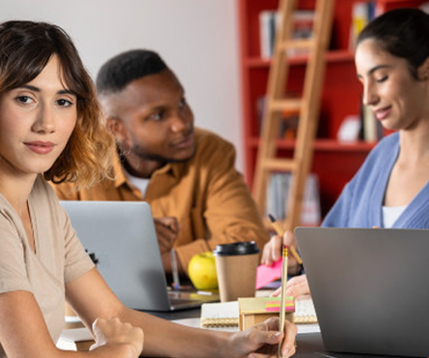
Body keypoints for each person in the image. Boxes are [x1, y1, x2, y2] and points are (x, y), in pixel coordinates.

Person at [0, 21, 296, 358]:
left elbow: (113, 315)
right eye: (25, 98)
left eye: (63, 101)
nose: (47, 123)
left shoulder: (40, 200)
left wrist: (230, 346)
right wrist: (117, 351)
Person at [262, 8, 429, 298]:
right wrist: (299, 260)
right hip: (359, 342)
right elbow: (334, 260)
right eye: (362, 81)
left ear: (428, 70)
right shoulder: (380, 157)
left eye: (381, 77)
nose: (367, 98)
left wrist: (364, 277)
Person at [51, 49, 269, 275]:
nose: (182, 124)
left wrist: (143, 257)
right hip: (94, 309)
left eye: (182, 103)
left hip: (193, 308)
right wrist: (129, 242)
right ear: (116, 128)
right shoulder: (73, 163)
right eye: (158, 115)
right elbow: (45, 253)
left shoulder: (211, 151)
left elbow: (249, 243)